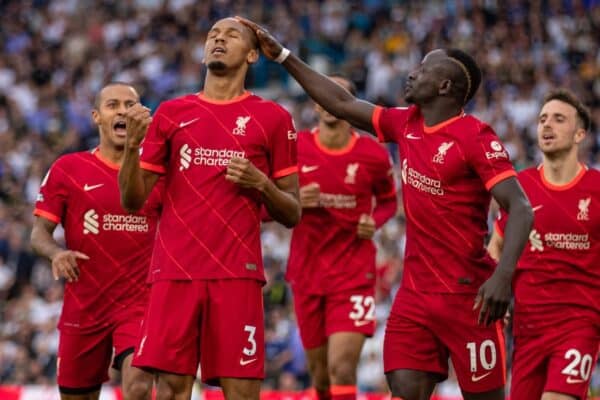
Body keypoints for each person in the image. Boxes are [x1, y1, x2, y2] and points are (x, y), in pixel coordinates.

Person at [237, 17, 533, 400]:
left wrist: (503, 279)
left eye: (423, 70)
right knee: (402, 390)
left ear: (444, 86)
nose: (411, 75)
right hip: (413, 299)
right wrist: (284, 57)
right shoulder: (404, 124)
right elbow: (341, 103)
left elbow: (521, 208)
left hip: (468, 297)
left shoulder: (475, 136)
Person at [118, 17, 300, 400]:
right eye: (213, 35)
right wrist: (132, 149)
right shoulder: (171, 113)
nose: (218, 39)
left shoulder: (273, 118)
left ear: (252, 54)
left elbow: (293, 212)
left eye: (231, 35)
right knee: (169, 390)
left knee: (242, 390)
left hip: (237, 273)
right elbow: (133, 201)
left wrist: (260, 183)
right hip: (174, 271)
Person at [30, 82, 159, 400]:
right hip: (85, 305)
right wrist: (56, 254)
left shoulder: (157, 173)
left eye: (130, 105)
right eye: (113, 105)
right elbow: (38, 233)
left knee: (139, 386)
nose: (123, 111)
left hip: (140, 303)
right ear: (96, 117)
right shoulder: (68, 169)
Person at [287, 76, 397, 400]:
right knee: (320, 377)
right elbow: (272, 201)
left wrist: (373, 221)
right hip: (307, 274)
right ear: (315, 102)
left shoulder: (373, 155)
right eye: (325, 94)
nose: (332, 101)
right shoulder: (296, 147)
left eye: (341, 95)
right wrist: (294, 199)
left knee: (342, 368)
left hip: (354, 275)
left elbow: (390, 201)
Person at [488, 89, 600, 400]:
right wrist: (496, 289)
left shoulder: (597, 190)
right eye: (542, 119)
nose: (547, 125)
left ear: (579, 134)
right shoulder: (520, 187)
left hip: (580, 326)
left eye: (559, 119)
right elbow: (495, 246)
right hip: (527, 332)